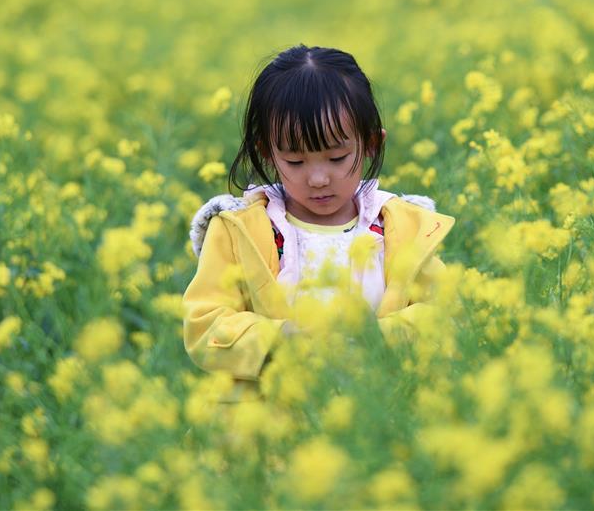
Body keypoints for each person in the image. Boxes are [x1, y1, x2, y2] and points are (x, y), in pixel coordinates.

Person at [182, 44, 456, 404]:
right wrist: (284, 340)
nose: (318, 178)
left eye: (337, 157)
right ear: (267, 152)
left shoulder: (397, 227)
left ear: (372, 143)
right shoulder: (241, 229)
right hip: (269, 427)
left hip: (380, 423)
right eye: (295, 161)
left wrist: (373, 341)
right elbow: (204, 327)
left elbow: (447, 318)